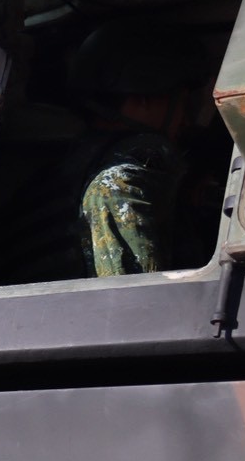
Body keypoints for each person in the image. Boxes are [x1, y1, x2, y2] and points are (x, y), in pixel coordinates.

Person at [69, 20, 207, 278]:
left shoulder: (63, 172)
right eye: (183, 103)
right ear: (144, 99)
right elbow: (135, 300)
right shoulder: (120, 184)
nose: (186, 121)